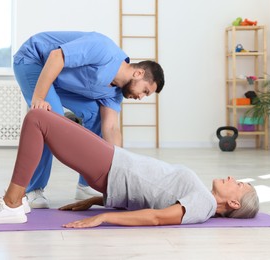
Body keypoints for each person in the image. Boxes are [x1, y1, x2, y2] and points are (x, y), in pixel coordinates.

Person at [0, 109, 259, 227]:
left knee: (38, 119)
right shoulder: (201, 198)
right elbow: (152, 196)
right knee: (40, 121)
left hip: (111, 165)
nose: (233, 178)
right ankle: (15, 201)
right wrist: (97, 201)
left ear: (233, 202)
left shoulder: (204, 204)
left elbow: (158, 217)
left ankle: (12, 203)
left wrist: (104, 219)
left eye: (239, 184)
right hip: (113, 163)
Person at [12, 31, 165, 208]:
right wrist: (39, 98)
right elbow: (56, 56)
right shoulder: (104, 49)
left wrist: (122, 171)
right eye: (145, 91)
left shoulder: (114, 94)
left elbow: (112, 129)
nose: (141, 97)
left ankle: (85, 184)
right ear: (138, 73)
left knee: (97, 115)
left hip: (57, 80)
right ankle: (33, 190)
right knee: (50, 120)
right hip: (33, 60)